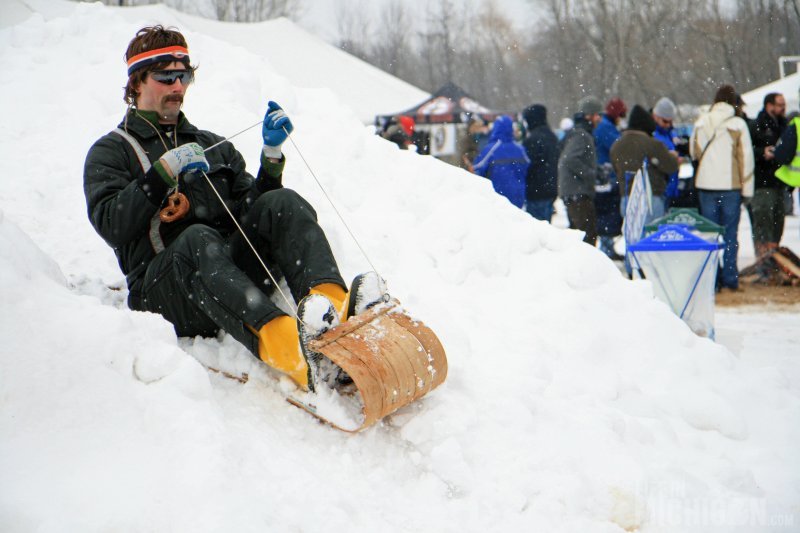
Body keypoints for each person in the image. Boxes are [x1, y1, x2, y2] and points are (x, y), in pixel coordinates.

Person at [84, 26, 383, 393]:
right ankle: (296, 353)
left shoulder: (213, 145)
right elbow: (111, 224)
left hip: (226, 278)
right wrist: (162, 172)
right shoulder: (111, 152)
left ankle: (335, 321)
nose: (178, 86)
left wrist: (271, 159)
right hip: (165, 293)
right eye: (166, 77)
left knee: (282, 203)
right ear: (137, 83)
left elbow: (255, 213)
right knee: (198, 238)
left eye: (185, 76)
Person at [690, 84, 754, 291]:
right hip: (730, 186)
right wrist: (747, 190)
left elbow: (694, 152)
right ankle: (729, 278)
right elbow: (746, 160)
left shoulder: (701, 122)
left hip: (705, 185)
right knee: (730, 234)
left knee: (709, 235)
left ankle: (712, 278)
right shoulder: (737, 124)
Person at [611, 104, 680, 222]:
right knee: (651, 236)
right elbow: (671, 166)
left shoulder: (616, 146)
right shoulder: (652, 144)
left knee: (633, 239)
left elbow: (616, 170)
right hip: (650, 199)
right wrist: (674, 157)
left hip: (626, 199)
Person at [558, 96, 603, 245]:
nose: (599, 119)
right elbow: (569, 159)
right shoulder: (581, 135)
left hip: (574, 192)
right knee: (586, 238)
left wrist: (598, 170)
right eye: (597, 115)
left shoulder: (579, 132)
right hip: (577, 193)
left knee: (581, 236)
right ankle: (585, 268)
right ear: (588, 116)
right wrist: (591, 175)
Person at [750, 92, 788, 257]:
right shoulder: (757, 125)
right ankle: (762, 259)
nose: (783, 108)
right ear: (769, 105)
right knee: (763, 222)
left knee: (777, 223)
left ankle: (774, 256)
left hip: (780, 182)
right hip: (762, 182)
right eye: (780, 104)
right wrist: (761, 152)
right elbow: (747, 151)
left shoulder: (785, 126)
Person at [593, 97, 627, 259]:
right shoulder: (606, 128)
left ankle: (608, 247)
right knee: (608, 213)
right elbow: (618, 146)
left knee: (608, 213)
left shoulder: (605, 126)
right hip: (607, 176)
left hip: (606, 175)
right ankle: (607, 249)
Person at [472, 115, 530, 207]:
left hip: (497, 197)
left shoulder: (491, 149)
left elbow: (477, 169)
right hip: (518, 196)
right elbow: (527, 168)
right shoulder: (520, 149)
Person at [521, 104, 559, 222]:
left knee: (536, 229)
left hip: (535, 190)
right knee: (545, 227)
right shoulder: (552, 136)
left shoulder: (532, 139)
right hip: (551, 188)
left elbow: (526, 165)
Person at [652, 97, 685, 209]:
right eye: (665, 121)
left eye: (671, 121)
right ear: (655, 117)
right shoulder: (652, 134)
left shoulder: (671, 133)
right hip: (660, 188)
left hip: (671, 186)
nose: (668, 124)